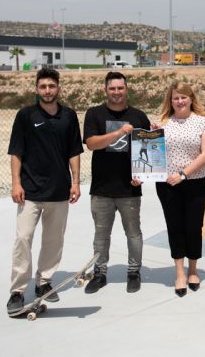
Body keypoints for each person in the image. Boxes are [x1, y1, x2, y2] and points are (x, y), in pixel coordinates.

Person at [6, 67, 83, 315]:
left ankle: (43, 283)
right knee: (23, 239)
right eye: (43, 87)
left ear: (58, 88)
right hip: (30, 191)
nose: (47, 91)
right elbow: (16, 152)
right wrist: (16, 183)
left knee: (53, 240)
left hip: (59, 191)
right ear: (37, 89)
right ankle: (17, 290)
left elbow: (74, 152)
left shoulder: (69, 116)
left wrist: (76, 182)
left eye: (51, 86)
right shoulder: (25, 115)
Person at [83, 71, 150, 294]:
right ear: (106, 90)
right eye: (112, 88)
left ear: (126, 89)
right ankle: (99, 273)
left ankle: (134, 272)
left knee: (134, 233)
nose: (116, 92)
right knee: (101, 234)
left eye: (120, 88)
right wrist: (119, 132)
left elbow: (149, 150)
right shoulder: (94, 114)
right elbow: (92, 143)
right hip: (102, 188)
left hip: (129, 188)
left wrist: (143, 176)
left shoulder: (139, 116)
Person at [154, 82, 205, 297]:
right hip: (167, 184)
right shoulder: (162, 123)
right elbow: (152, 152)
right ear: (170, 101)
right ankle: (179, 272)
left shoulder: (203, 123)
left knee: (193, 226)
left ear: (191, 99)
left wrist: (183, 174)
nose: (180, 101)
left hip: (194, 182)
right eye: (175, 98)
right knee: (175, 227)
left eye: (183, 97)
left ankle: (193, 270)